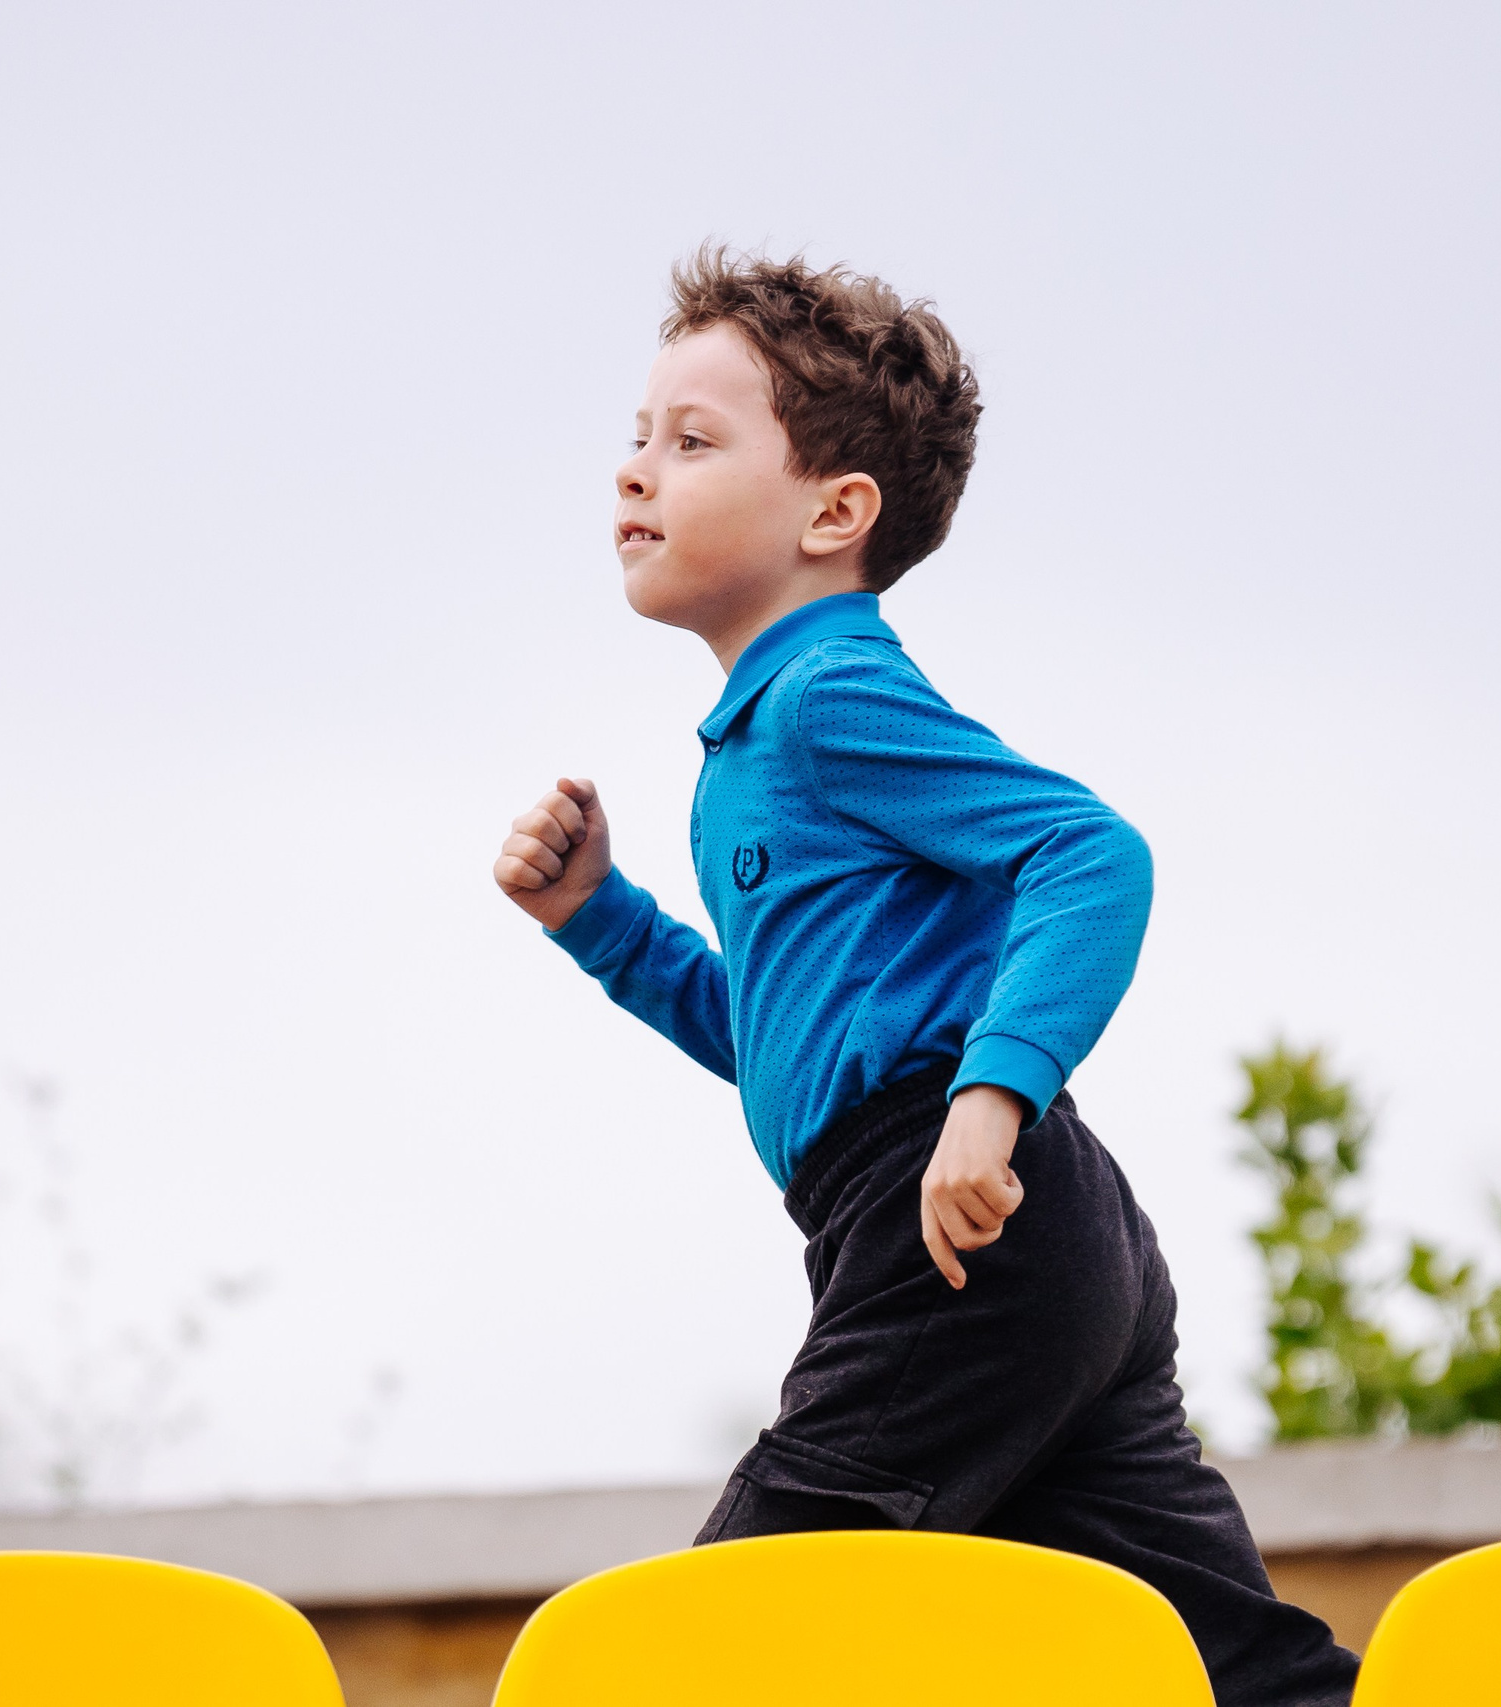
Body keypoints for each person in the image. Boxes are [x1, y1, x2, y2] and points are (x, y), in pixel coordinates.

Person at [490, 248, 1358, 1706]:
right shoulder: (758, 744)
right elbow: (791, 1034)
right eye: (636, 437)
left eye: (693, 442)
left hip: (956, 1234)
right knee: (1237, 1674)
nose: (637, 472)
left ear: (836, 513)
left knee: (711, 1649)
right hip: (1023, 1243)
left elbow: (1092, 859)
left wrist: (989, 1097)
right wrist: (606, 925)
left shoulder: (827, 695)